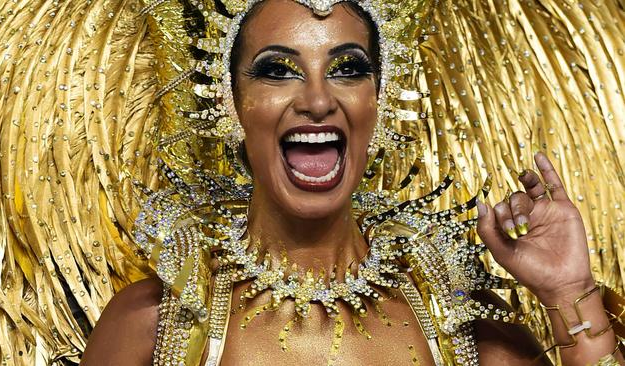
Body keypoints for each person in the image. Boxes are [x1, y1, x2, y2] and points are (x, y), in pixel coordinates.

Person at [80, 0, 624, 365]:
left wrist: (569, 293)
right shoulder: (153, 326)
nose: (318, 101)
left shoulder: (462, 324)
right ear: (230, 104)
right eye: (276, 69)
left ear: (377, 104)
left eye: (347, 68)